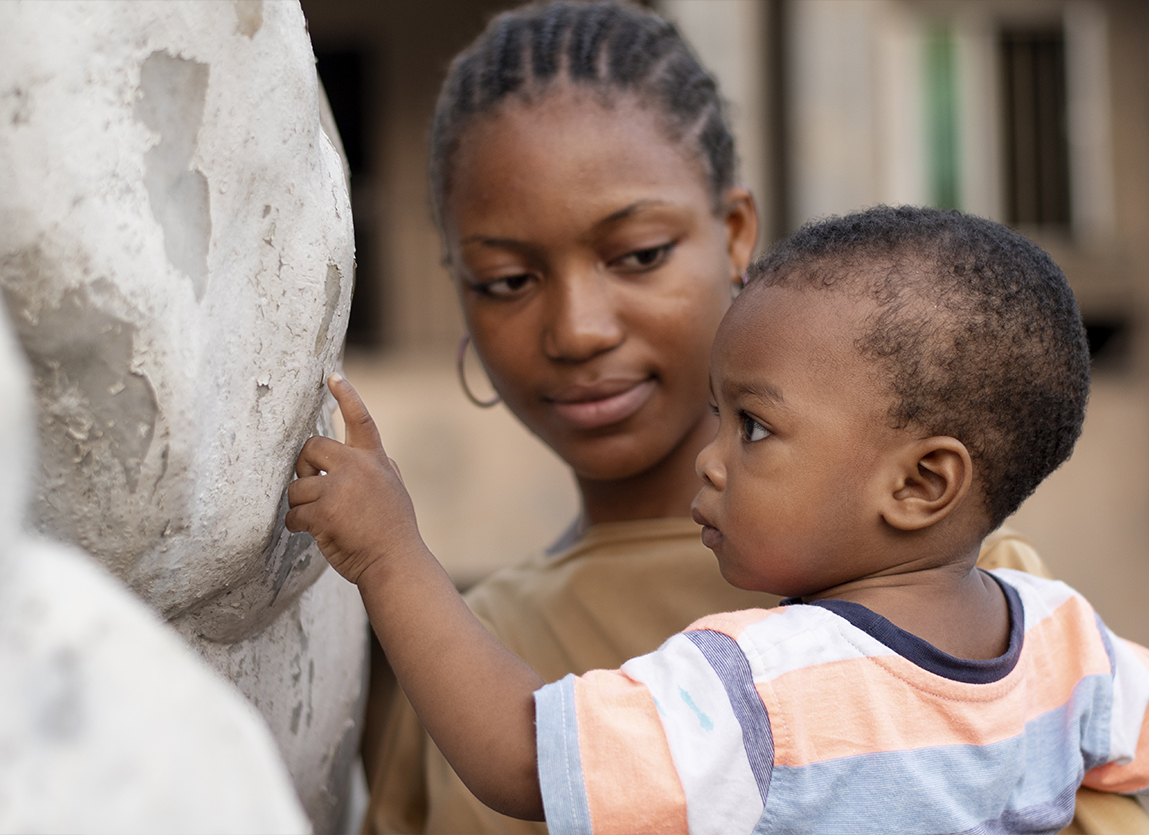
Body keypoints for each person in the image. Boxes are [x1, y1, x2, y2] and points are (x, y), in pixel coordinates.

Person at [357, 2, 1149, 831]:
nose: (577, 329)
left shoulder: (973, 602)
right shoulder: (454, 663)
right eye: (505, 280)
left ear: (734, 234)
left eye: (637, 255)